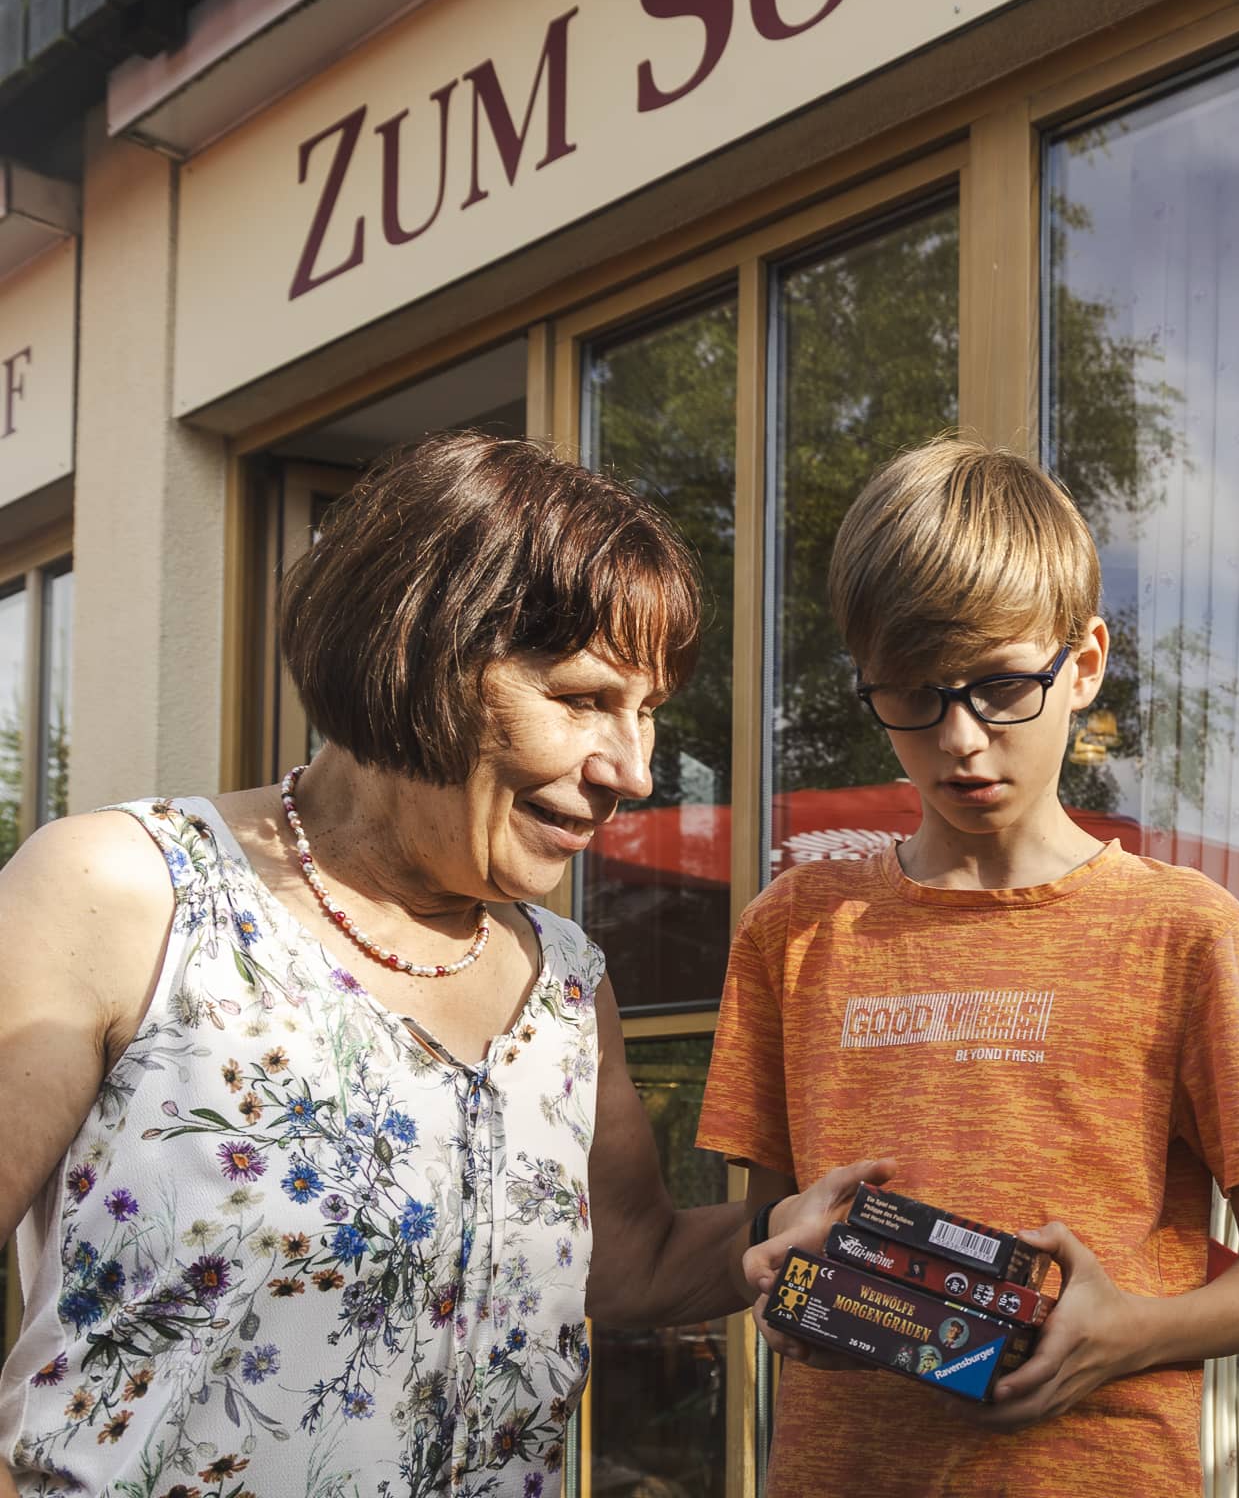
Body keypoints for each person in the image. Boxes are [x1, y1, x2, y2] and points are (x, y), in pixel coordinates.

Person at [0, 433, 874, 1498]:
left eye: (648, 713)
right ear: (421, 652)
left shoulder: (565, 983)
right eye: (585, 698)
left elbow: (629, 1262)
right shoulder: (123, 893)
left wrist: (783, 1230)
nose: (636, 771)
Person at [700, 438, 1239, 1493]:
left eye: (999, 686)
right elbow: (770, 1231)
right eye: (913, 694)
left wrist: (1129, 1332)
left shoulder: (1184, 932)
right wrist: (783, 1285)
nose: (960, 738)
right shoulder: (794, 930)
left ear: (1084, 664)